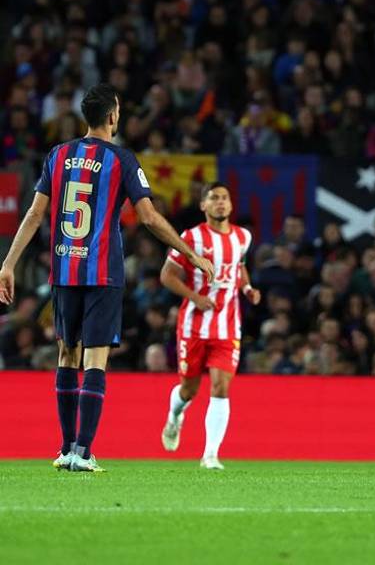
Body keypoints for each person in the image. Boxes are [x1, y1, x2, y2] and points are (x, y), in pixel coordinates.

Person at [0, 84, 215, 473]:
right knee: (95, 358)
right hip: (101, 272)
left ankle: (66, 448)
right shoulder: (121, 159)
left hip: (65, 270)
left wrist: (8, 264)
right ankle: (83, 452)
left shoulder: (58, 154)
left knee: (67, 354)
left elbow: (34, 215)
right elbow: (148, 217)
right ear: (113, 116)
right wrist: (191, 255)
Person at [158, 181, 261, 470]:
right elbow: (167, 275)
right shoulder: (191, 237)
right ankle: (174, 417)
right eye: (214, 198)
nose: (221, 202)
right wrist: (195, 297)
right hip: (193, 326)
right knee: (189, 390)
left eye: (225, 198)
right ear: (203, 205)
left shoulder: (243, 237)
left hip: (228, 327)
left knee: (221, 386)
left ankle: (210, 455)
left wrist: (248, 288)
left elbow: (237, 267)